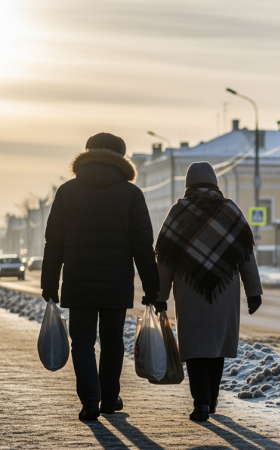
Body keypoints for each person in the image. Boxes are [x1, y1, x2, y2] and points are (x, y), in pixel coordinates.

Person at [41, 133, 160, 421]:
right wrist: (152, 287)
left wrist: (49, 283)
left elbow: (54, 243)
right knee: (112, 340)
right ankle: (109, 398)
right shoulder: (131, 194)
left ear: (87, 153)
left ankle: (90, 401)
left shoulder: (67, 191)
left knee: (81, 340)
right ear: (121, 157)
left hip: (78, 280)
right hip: (116, 282)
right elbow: (142, 247)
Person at [154, 162, 263, 422]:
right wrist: (253, 292)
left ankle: (201, 402)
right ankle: (212, 400)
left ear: (188, 184)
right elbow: (246, 255)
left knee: (195, 348)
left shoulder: (178, 212)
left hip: (189, 289)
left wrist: (160, 296)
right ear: (215, 182)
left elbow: (165, 259)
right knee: (218, 347)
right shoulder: (230, 210)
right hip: (225, 290)